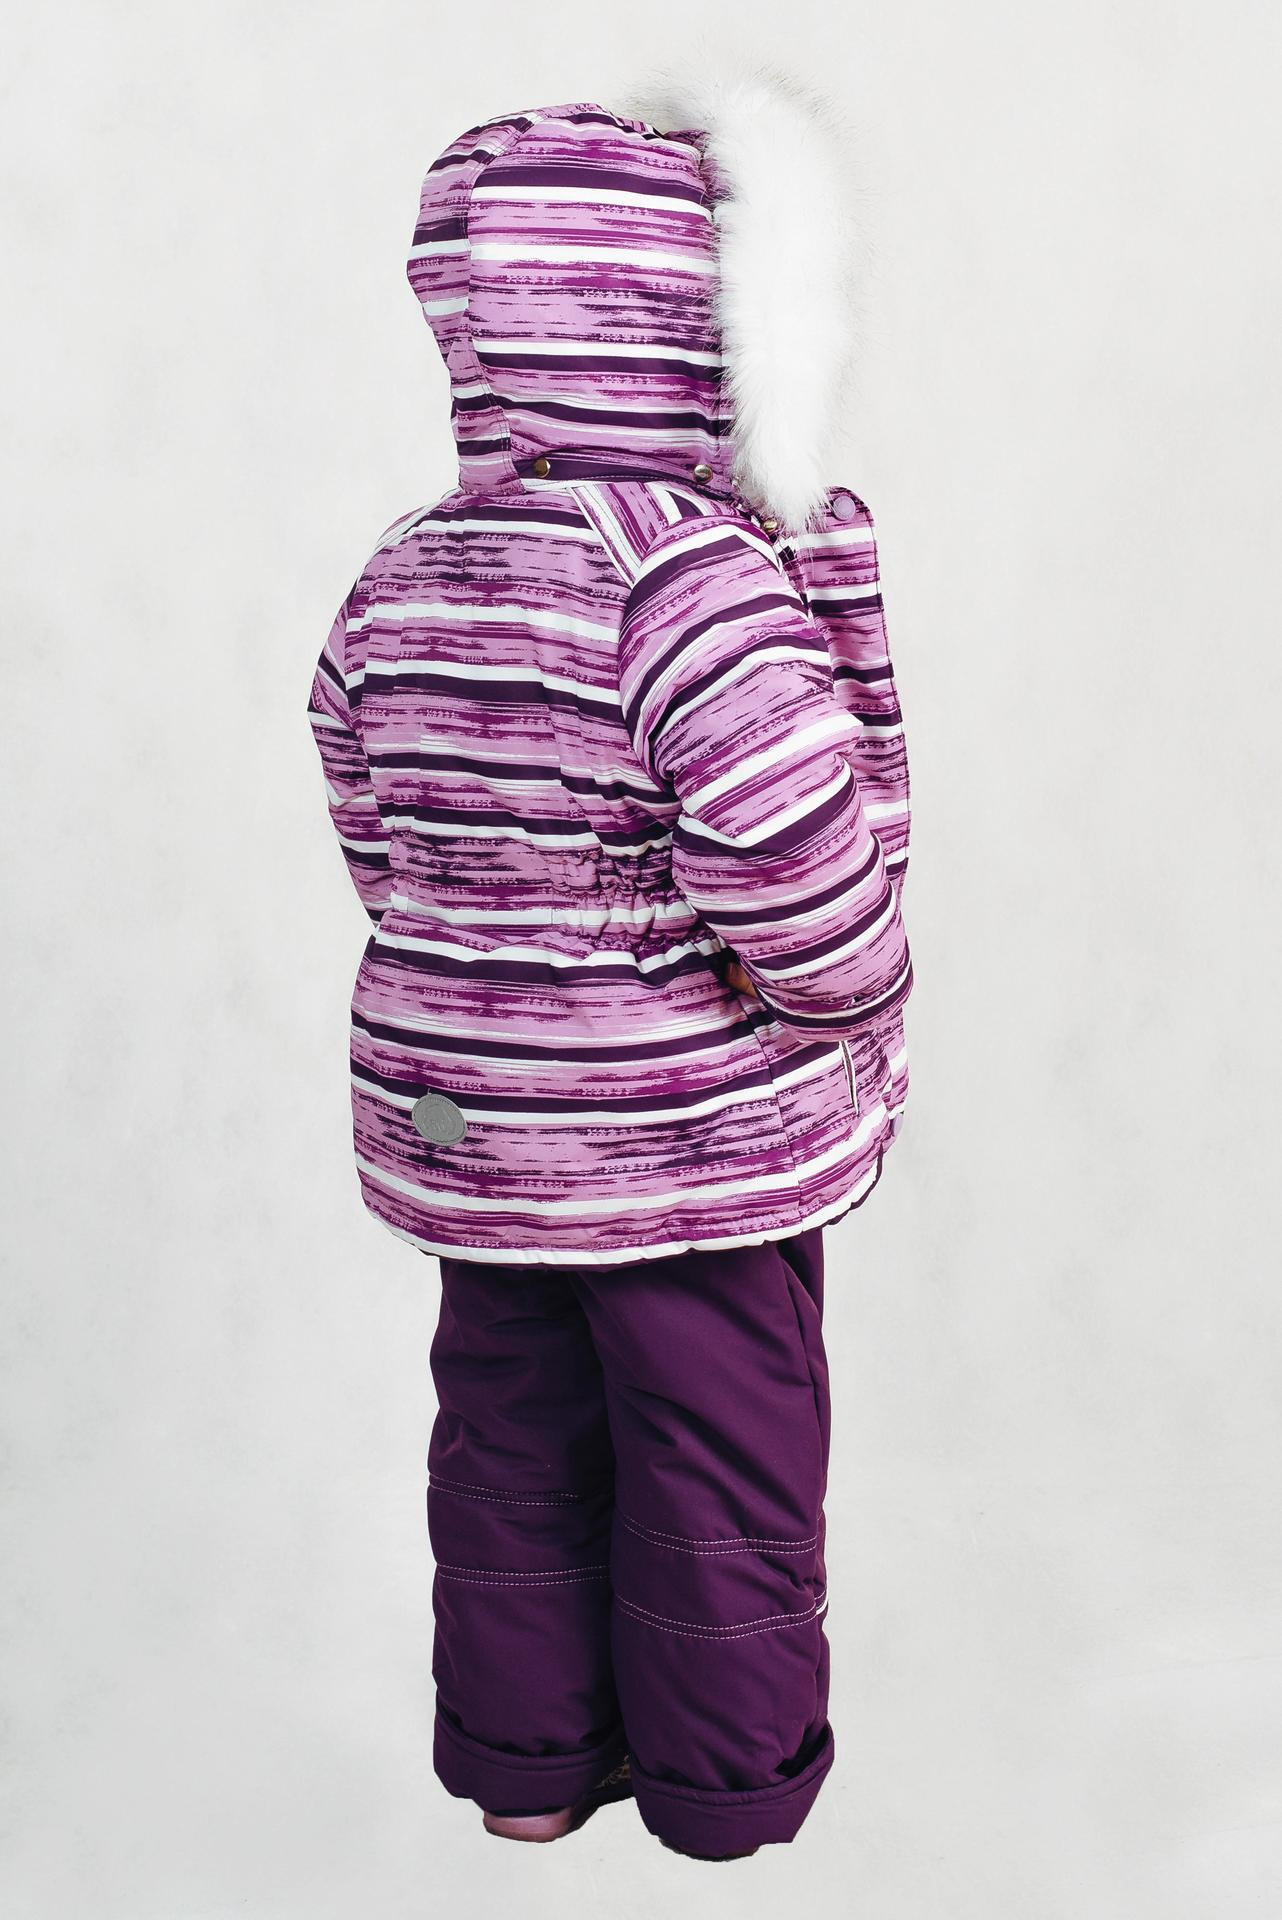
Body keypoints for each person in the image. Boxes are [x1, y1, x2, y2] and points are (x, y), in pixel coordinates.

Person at [304, 73, 913, 1860]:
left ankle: (525, 1775)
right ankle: (721, 1801)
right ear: (696, 326)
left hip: (475, 1127)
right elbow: (793, 856)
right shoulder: (691, 583)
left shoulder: (403, 572)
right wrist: (848, 998)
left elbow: (372, 816)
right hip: (682, 1146)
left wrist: (476, 971)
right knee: (715, 1458)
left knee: (508, 1443)